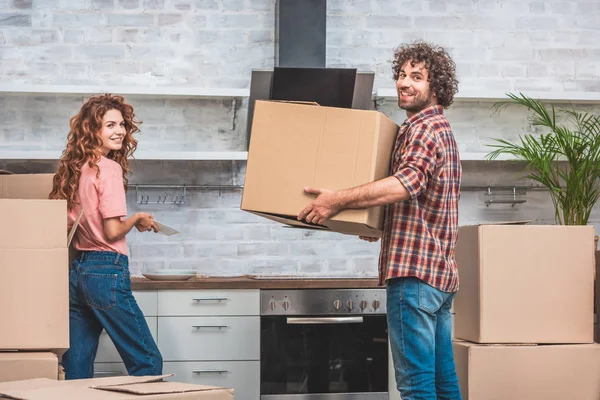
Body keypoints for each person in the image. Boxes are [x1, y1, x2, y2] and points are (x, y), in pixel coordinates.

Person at [297, 41, 462, 400]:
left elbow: (408, 183)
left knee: (417, 386)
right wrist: (375, 225)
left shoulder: (422, 129)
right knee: (443, 384)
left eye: (417, 76)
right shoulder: (441, 130)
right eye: (402, 75)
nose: (405, 82)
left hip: (414, 276)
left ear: (437, 87)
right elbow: (422, 202)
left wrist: (338, 200)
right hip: (440, 277)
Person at [50, 94, 163, 380]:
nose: (120, 131)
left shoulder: (74, 171)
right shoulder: (108, 169)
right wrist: (136, 218)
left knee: (76, 363)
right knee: (147, 360)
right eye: (109, 125)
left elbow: (71, 225)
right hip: (106, 271)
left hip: (78, 274)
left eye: (122, 124)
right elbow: (111, 232)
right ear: (92, 130)